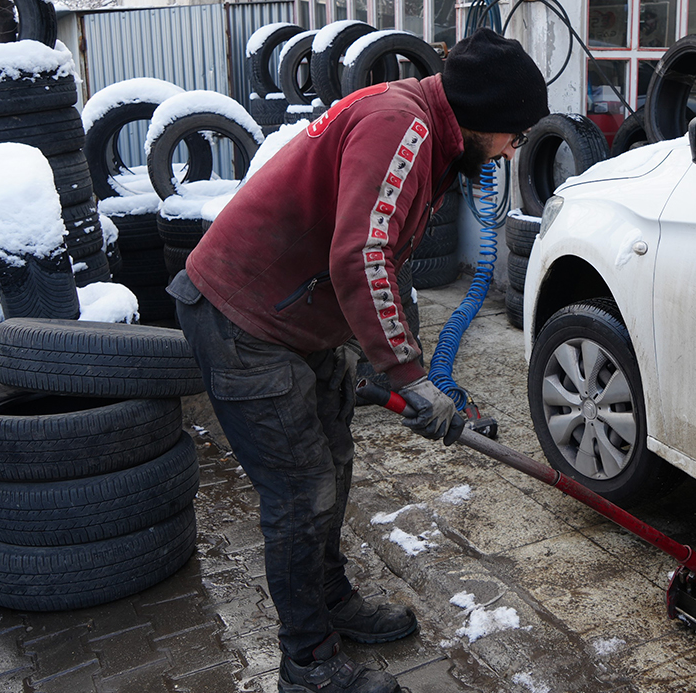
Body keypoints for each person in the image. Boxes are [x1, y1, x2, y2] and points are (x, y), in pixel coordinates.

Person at [166, 29, 549, 693]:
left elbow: (380, 254)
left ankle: (332, 599)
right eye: (514, 133)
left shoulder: (426, 125)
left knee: (333, 469)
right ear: (483, 114)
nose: (514, 148)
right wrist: (409, 375)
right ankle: (307, 662)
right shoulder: (403, 126)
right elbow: (362, 255)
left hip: (296, 319)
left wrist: (393, 362)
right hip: (244, 317)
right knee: (300, 492)